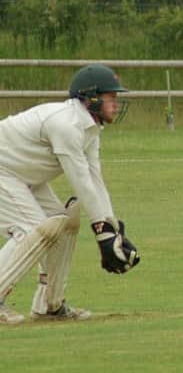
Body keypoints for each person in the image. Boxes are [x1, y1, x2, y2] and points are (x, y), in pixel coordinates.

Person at [0, 64, 140, 324]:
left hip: (23, 175)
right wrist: (102, 232)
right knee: (32, 228)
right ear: (91, 98)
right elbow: (81, 182)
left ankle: (50, 305)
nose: (116, 103)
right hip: (5, 170)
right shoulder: (65, 124)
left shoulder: (90, 129)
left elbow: (95, 180)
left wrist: (111, 230)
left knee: (62, 225)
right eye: (111, 97)